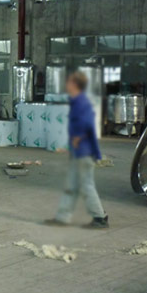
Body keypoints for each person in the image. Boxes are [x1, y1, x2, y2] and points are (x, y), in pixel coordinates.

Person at [45, 71, 109, 229]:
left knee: (86, 186)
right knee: (71, 186)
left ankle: (100, 217)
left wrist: (78, 137)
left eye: (69, 82)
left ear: (74, 84)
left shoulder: (82, 102)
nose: (66, 84)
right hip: (77, 152)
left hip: (84, 152)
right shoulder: (76, 101)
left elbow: (88, 125)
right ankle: (62, 218)